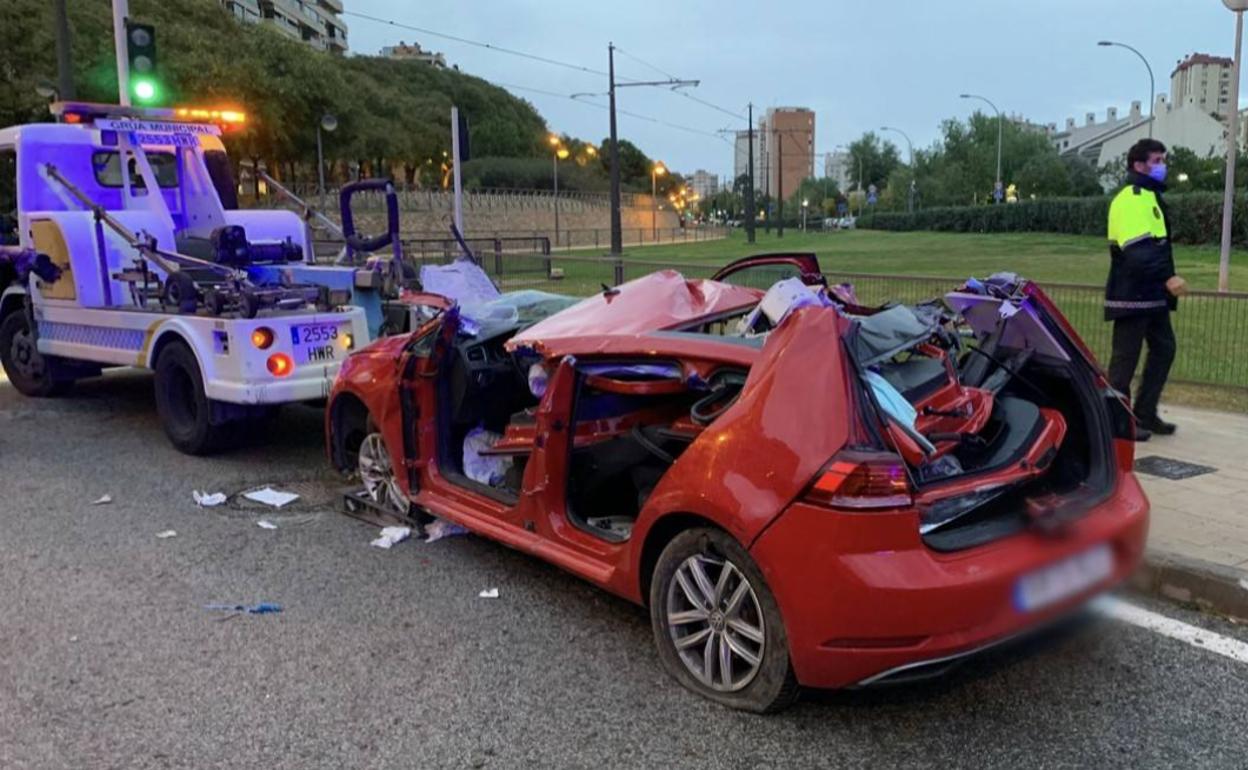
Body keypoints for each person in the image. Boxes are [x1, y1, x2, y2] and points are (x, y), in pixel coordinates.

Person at [1105, 138, 1187, 440]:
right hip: (1132, 294)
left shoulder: (1150, 197)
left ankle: (1145, 413)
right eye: (1156, 161)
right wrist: (1168, 278)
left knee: (1164, 348)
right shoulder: (1131, 198)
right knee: (1124, 360)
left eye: (1163, 160)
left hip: (1151, 295)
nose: (1162, 166)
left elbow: (1157, 246)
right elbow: (1138, 251)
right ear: (1138, 165)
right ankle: (1118, 423)